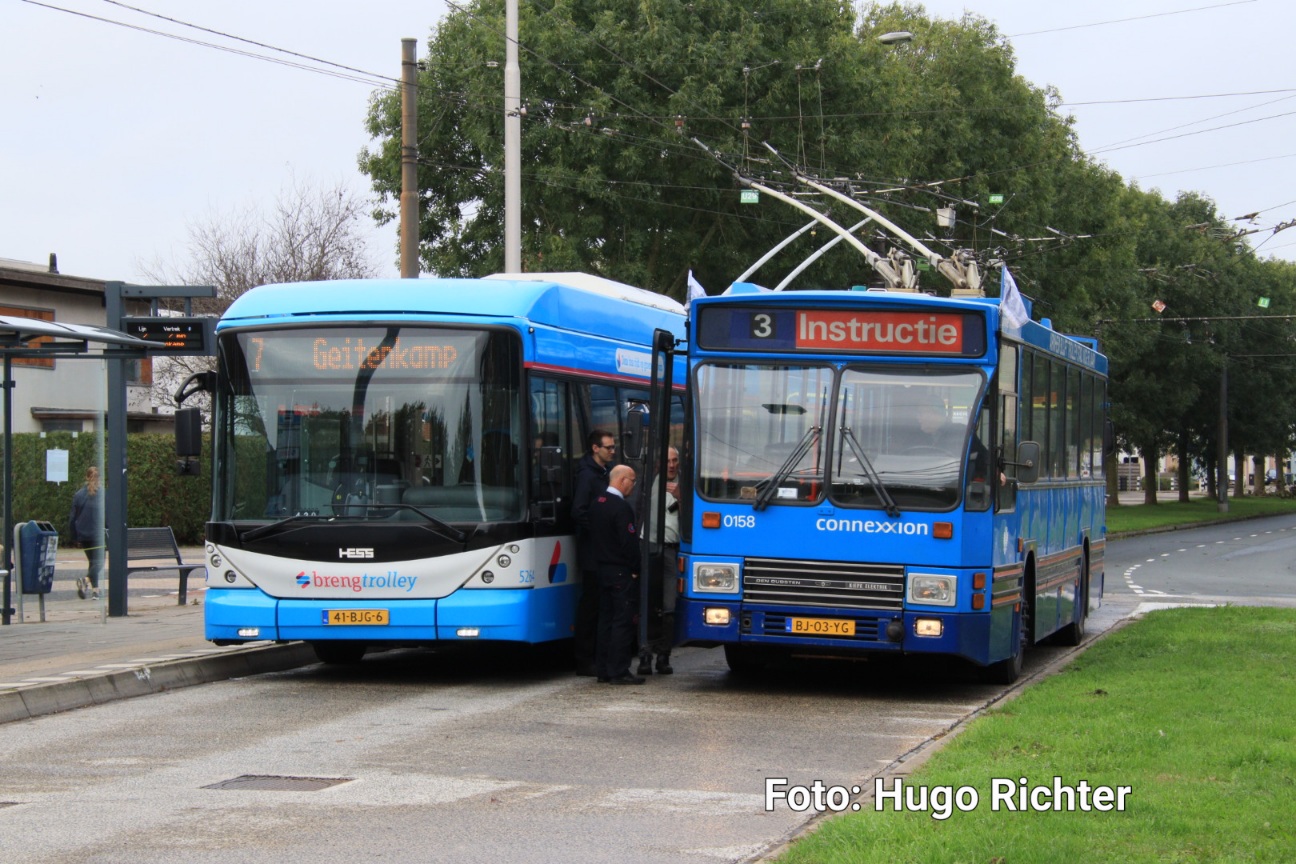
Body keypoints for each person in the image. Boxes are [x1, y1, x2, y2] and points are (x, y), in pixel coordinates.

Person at [588, 464, 644, 684]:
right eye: (633, 480)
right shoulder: (621, 508)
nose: (634, 485)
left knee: (605, 621)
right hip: (621, 572)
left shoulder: (596, 504)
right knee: (623, 621)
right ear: (622, 481)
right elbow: (628, 543)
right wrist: (635, 569)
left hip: (601, 569)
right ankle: (619, 670)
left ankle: (603, 669)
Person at [571, 429, 617, 676]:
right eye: (608, 447)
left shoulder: (602, 472)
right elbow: (578, 511)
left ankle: (596, 657)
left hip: (599, 549)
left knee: (598, 605)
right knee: (591, 606)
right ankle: (585, 659)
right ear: (595, 449)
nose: (612, 451)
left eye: (613, 447)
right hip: (592, 551)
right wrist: (601, 529)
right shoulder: (588, 476)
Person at [639, 446, 680, 676]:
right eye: (667, 461)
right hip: (649, 546)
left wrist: (680, 497)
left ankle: (664, 657)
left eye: (675, 461)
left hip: (672, 550)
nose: (672, 465)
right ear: (658, 464)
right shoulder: (648, 483)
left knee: (669, 606)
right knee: (647, 603)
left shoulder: (686, 484)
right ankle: (645, 655)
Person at [68, 465, 104, 600]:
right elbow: (106, 514)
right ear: (99, 478)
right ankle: (86, 580)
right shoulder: (102, 493)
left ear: (86, 477)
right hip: (97, 533)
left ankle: (96, 591)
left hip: (83, 534)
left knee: (92, 561)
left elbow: (72, 517)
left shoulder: (78, 495)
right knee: (99, 562)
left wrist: (74, 536)